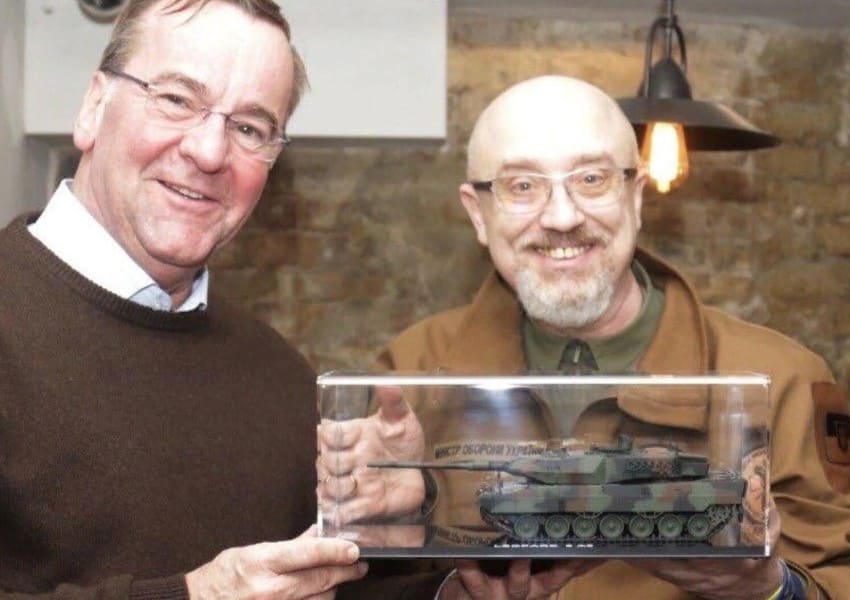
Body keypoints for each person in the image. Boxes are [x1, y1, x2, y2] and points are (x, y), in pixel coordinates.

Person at [0, 1, 446, 598]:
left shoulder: (280, 375)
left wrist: (445, 578)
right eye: (177, 99)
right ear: (93, 106)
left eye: (249, 129)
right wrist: (194, 595)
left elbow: (329, 589)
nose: (210, 153)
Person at [365, 76, 850, 599]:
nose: (562, 217)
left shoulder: (782, 380)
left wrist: (771, 589)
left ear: (636, 197)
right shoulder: (410, 374)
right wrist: (444, 591)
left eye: (592, 179)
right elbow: (357, 582)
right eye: (522, 186)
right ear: (477, 213)